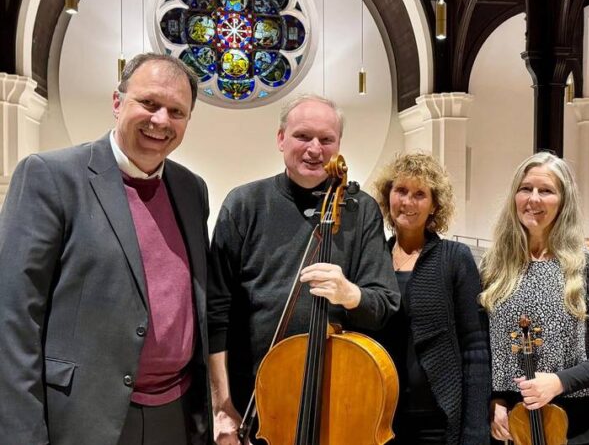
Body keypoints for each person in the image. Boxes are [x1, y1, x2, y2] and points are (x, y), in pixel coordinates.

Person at [0, 53, 212, 445]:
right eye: (148, 103)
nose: (161, 120)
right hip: (84, 414)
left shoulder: (190, 189)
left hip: (177, 412)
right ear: (118, 102)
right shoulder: (51, 176)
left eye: (176, 111)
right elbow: (12, 317)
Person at [207, 94, 401, 445]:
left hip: (338, 401)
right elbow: (215, 312)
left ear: (338, 146)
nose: (315, 149)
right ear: (281, 139)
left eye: (327, 140)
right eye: (302, 136)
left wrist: (351, 294)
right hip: (258, 406)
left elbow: (385, 303)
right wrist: (222, 406)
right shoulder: (245, 204)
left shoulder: (361, 209)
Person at [481, 152, 589, 444]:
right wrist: (494, 400)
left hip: (578, 427)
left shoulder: (587, 267)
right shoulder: (493, 266)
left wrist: (559, 382)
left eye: (546, 191)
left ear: (563, 202)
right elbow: (482, 347)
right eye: (525, 189)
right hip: (512, 427)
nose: (533, 198)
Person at [371, 152, 491, 445]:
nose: (408, 202)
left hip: (437, 418)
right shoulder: (374, 260)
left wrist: (476, 431)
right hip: (378, 415)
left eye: (420, 194)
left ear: (435, 204)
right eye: (400, 191)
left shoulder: (455, 258)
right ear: (388, 197)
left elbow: (475, 346)